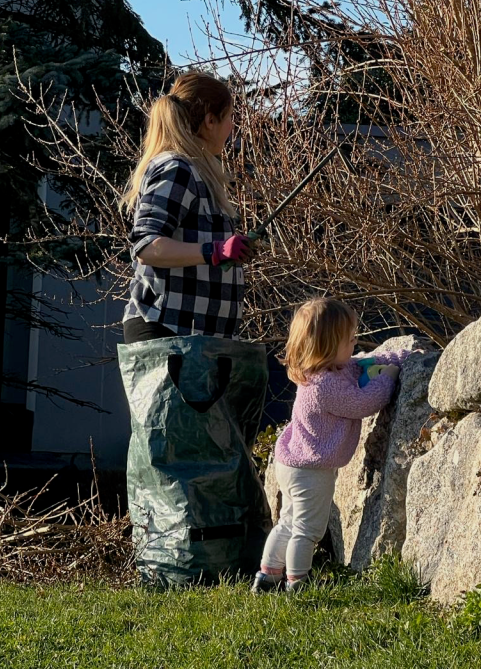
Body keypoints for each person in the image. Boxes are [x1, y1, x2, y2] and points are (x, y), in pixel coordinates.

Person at [251, 297, 407, 594]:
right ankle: (298, 583)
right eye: (349, 340)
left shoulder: (318, 373)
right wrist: (389, 376)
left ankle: (267, 575)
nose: (355, 344)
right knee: (308, 529)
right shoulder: (326, 386)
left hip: (293, 463)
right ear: (327, 346)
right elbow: (364, 402)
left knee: (288, 522)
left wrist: (386, 358)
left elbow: (356, 365)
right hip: (311, 471)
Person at [121, 71, 255, 343]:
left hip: (190, 336)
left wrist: (226, 252)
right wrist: (214, 251)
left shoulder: (198, 173)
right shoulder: (177, 168)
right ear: (210, 121)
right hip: (166, 330)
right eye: (230, 117)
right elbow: (146, 246)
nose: (232, 126)